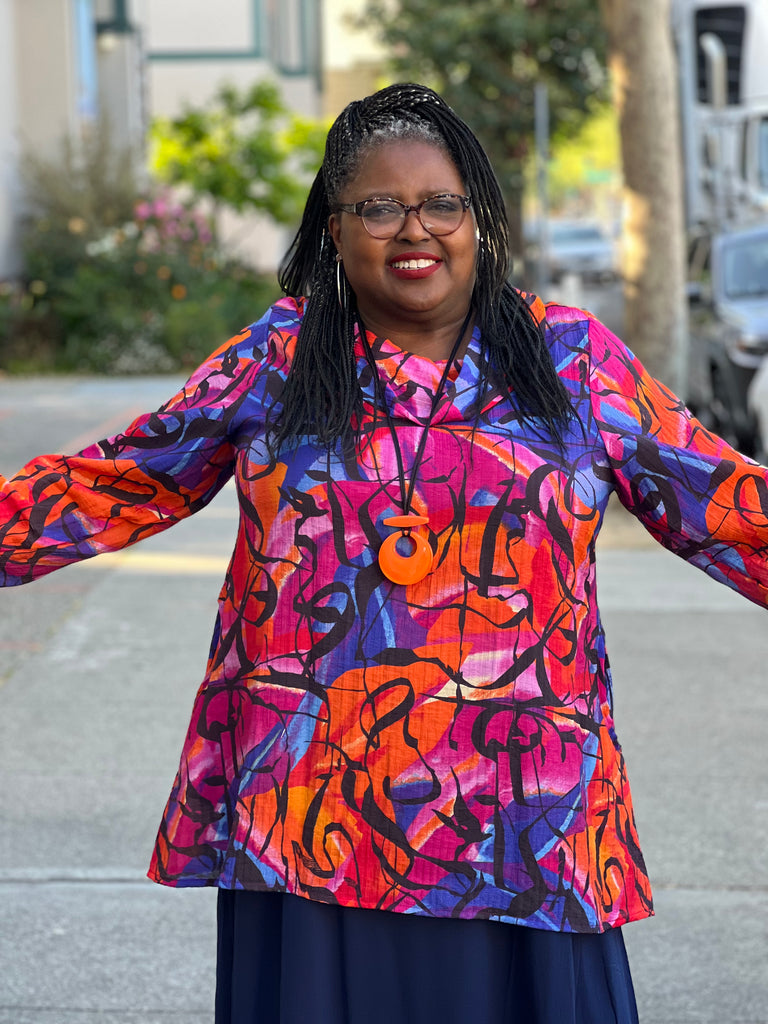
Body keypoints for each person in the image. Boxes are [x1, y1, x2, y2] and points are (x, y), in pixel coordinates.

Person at [1, 82, 767, 1024]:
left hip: (524, 816)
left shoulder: (572, 360)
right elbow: (121, 480)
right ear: (334, 229)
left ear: (479, 219)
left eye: (442, 203)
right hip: (313, 811)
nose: (416, 230)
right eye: (379, 207)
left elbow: (724, 504)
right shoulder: (278, 360)